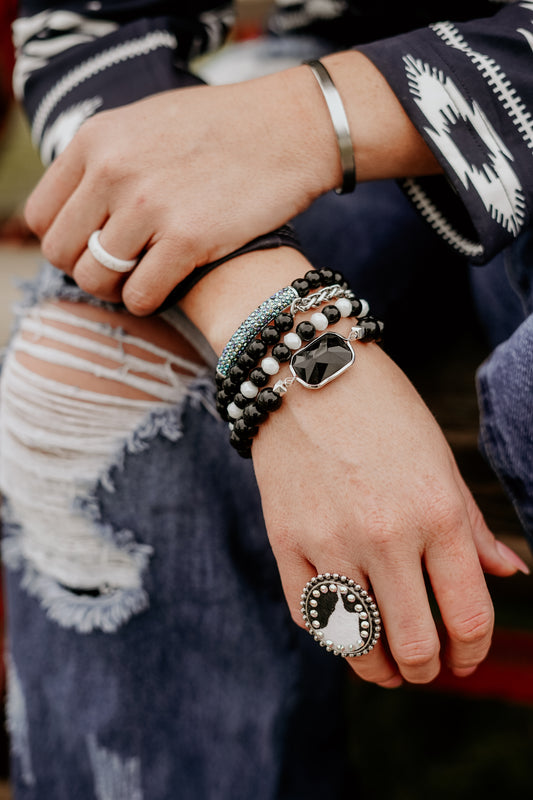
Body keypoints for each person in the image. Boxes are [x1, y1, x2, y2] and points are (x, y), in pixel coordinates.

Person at [1, 0, 532, 797]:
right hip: (332, 64)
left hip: (437, 83)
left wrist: (324, 117)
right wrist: (275, 322)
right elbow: (81, 26)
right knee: (94, 372)